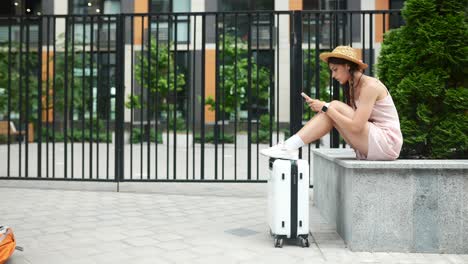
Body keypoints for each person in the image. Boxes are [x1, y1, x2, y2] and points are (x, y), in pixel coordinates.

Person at [260, 45, 403, 161]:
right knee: (330, 109)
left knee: (332, 106)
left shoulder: (370, 86)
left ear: (347, 66)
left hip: (387, 142)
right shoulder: (353, 86)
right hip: (373, 140)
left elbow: (356, 127)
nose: (333, 75)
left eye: (335, 70)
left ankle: (289, 147)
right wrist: (326, 109)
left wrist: (326, 108)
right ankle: (289, 146)